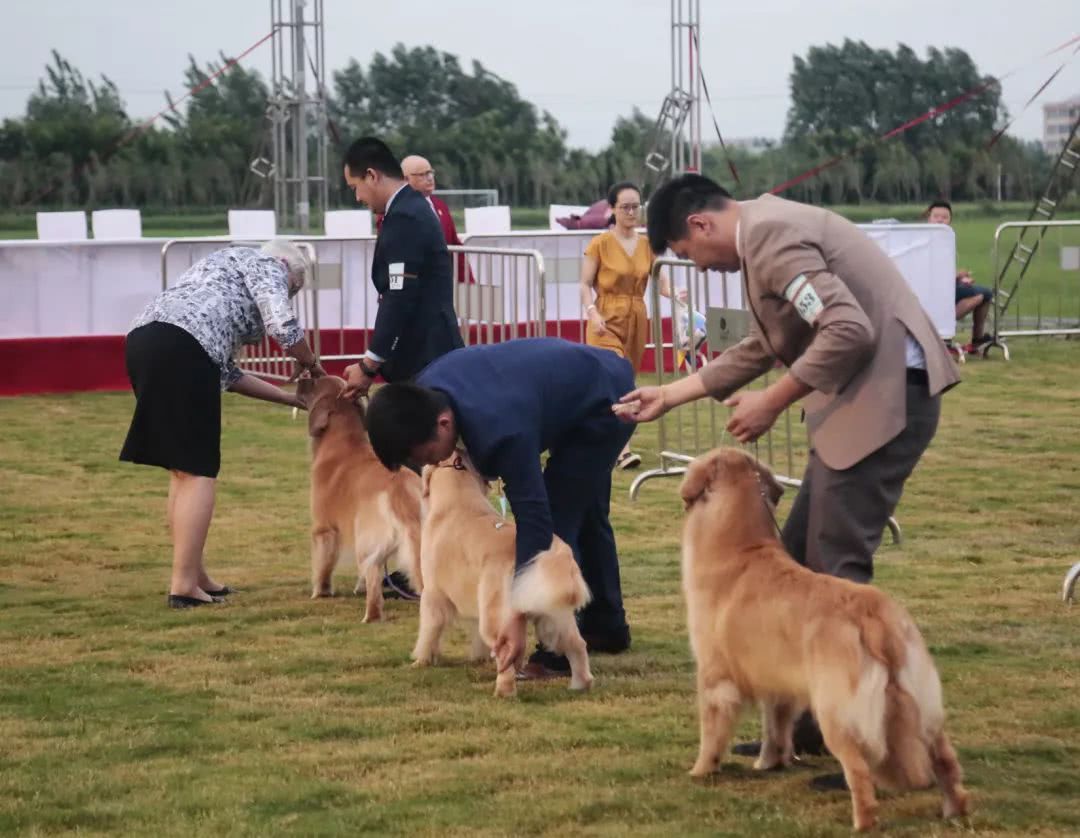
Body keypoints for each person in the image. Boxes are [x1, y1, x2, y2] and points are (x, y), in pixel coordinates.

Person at [618, 174, 958, 780]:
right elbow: (762, 344)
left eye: (691, 256)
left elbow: (849, 329)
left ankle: (859, 738)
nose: (703, 268)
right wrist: (670, 395)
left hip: (886, 398)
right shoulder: (766, 235)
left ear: (700, 226)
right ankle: (803, 730)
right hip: (868, 396)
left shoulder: (771, 236)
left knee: (831, 566)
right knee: (797, 556)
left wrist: (773, 400)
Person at [364, 338, 636, 680]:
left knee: (559, 520)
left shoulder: (500, 431)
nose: (429, 465)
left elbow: (535, 519)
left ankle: (555, 652)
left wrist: (515, 613)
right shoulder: (423, 396)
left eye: (427, 455)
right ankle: (607, 626)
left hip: (605, 403)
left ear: (444, 424)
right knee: (587, 509)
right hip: (577, 383)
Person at [120, 240, 324, 609]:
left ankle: (195, 575)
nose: (288, 295)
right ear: (288, 271)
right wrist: (311, 363)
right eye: (293, 289)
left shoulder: (222, 269)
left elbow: (227, 374)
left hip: (145, 339)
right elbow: (282, 324)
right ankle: (183, 585)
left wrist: (291, 398)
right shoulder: (269, 265)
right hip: (183, 346)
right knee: (199, 470)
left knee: (182, 470)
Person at [340, 137, 464, 399]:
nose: (358, 197)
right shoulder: (407, 209)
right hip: (426, 357)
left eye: (355, 187)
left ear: (372, 176)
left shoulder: (405, 217)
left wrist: (369, 364)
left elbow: (399, 294)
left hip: (426, 361)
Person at [581, 181, 683, 469]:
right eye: (624, 206)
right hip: (605, 317)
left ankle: (603, 437)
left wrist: (675, 293)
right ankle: (622, 449)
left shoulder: (647, 244)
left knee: (628, 380)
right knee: (617, 376)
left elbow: (661, 281)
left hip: (637, 316)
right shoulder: (600, 244)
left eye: (635, 206)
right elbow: (585, 284)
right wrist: (592, 312)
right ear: (612, 209)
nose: (631, 212)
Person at [927, 199, 993, 353]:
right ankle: (945, 329)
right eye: (936, 216)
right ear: (928, 218)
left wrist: (960, 278)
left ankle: (975, 339)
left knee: (984, 294)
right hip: (935, 289)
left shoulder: (947, 240)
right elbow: (932, 273)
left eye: (945, 217)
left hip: (949, 285)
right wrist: (957, 275)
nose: (940, 221)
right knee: (982, 294)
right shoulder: (924, 242)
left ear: (950, 220)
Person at [401, 154, 474, 284]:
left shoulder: (440, 206)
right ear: (406, 180)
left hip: (439, 288)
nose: (429, 178)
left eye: (430, 172)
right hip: (411, 291)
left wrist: (469, 283)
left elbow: (455, 248)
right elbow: (391, 257)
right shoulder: (395, 210)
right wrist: (396, 291)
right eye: (422, 174)